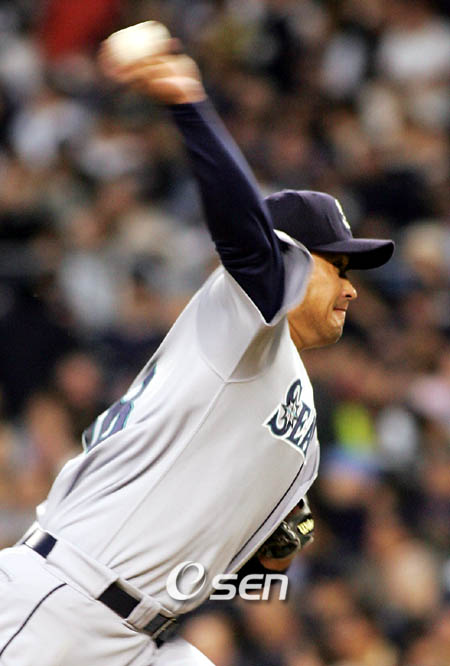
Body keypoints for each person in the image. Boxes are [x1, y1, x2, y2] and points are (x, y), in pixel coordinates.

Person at [0, 34, 394, 666]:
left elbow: (258, 559)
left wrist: (273, 545)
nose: (350, 288)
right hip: (63, 599)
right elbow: (245, 242)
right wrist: (187, 102)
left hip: (140, 636)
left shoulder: (296, 411)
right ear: (293, 259)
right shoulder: (240, 320)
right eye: (337, 266)